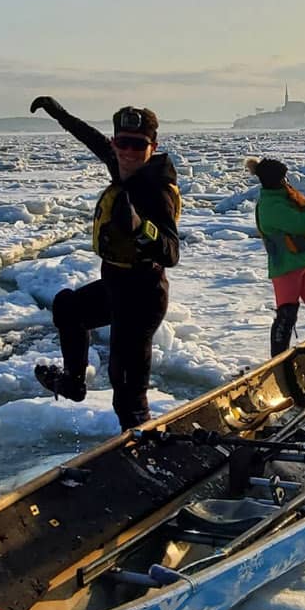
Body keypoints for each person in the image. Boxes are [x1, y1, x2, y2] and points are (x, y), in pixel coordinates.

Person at [28, 98, 181, 430]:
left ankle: (144, 451)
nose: (127, 152)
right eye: (122, 143)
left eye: (137, 145)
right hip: (116, 286)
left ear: (152, 148)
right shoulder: (123, 166)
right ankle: (72, 383)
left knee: (126, 389)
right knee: (68, 308)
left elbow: (171, 252)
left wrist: (142, 228)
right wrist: (61, 114)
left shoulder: (155, 191)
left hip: (143, 295)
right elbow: (93, 140)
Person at [246, 157, 305, 356]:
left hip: (303, 261)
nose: (288, 181)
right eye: (284, 177)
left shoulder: (281, 198)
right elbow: (302, 223)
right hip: (286, 267)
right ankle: (278, 359)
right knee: (287, 315)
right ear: (277, 180)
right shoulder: (272, 206)